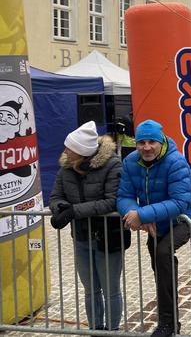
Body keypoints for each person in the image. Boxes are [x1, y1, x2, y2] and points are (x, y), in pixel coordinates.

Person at [117, 119, 191, 337]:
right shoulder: (130, 162)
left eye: (151, 142)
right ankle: (170, 320)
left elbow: (180, 202)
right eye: (141, 142)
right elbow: (124, 196)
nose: (146, 147)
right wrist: (136, 215)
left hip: (183, 219)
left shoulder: (176, 162)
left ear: (161, 141)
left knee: (163, 254)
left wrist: (143, 214)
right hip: (155, 222)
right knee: (161, 268)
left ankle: (167, 323)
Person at [49, 121, 127, 332]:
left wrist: (74, 210)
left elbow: (112, 202)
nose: (65, 150)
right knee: (90, 289)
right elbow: (56, 195)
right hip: (82, 236)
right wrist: (60, 208)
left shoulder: (113, 165)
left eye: (70, 148)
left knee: (110, 289)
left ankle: (111, 331)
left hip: (108, 236)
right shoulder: (66, 168)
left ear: (82, 151)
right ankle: (95, 329)